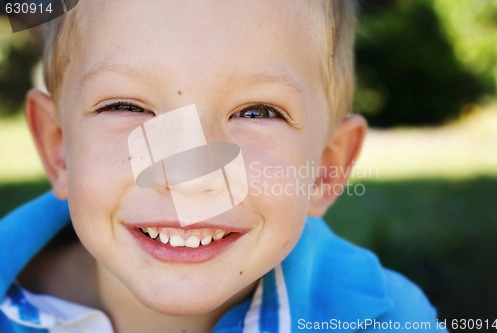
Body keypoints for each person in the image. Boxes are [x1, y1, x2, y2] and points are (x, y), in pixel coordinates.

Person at [0, 1, 447, 332]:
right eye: (126, 105)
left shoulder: (394, 322)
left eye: (255, 112)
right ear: (59, 147)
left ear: (325, 169)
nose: (188, 176)